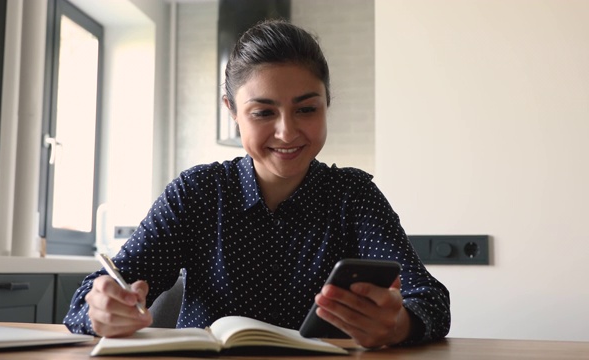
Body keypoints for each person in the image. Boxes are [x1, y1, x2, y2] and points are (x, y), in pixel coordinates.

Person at [64, 19, 450, 348]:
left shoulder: (353, 195)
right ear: (232, 111)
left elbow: (431, 299)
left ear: (327, 103)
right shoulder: (196, 193)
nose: (286, 132)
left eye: (307, 109)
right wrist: (101, 310)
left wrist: (399, 325)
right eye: (263, 112)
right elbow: (86, 301)